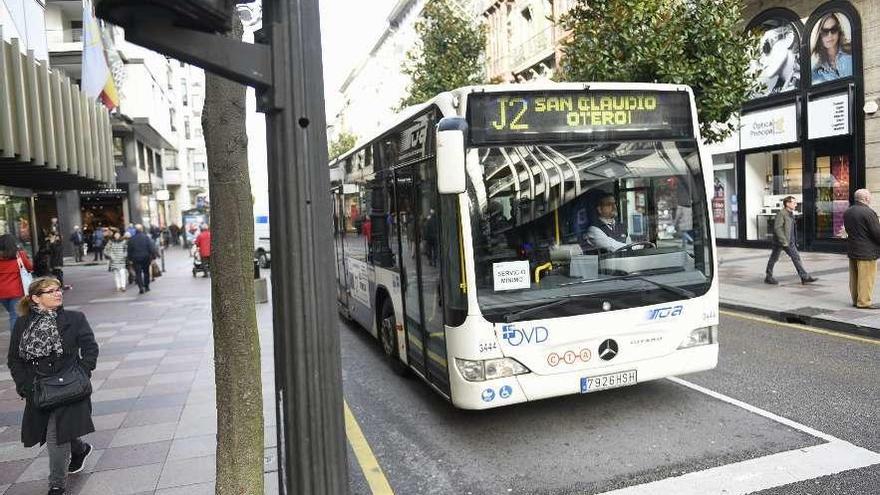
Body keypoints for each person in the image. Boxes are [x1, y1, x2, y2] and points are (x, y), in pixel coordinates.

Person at [7, 276, 98, 494]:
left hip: (69, 386)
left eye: (58, 289)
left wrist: (82, 373)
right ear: (35, 298)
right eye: (50, 291)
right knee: (59, 430)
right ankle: (79, 449)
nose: (58, 293)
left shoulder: (75, 319)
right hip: (38, 387)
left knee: (55, 435)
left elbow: (90, 349)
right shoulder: (22, 323)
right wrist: (24, 386)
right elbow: (14, 359)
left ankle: (56, 486)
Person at [764, 196, 818, 285]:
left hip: (790, 241)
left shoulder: (790, 213)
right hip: (782, 241)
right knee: (774, 258)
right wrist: (784, 241)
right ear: (787, 204)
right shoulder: (781, 214)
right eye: (794, 203)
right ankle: (768, 277)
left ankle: (804, 277)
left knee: (796, 257)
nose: (796, 205)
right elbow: (777, 228)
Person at [843, 189, 880, 309]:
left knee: (854, 277)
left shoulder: (848, 211)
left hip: (853, 248)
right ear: (865, 199)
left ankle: (856, 300)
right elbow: (876, 233)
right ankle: (864, 302)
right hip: (867, 251)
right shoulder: (868, 212)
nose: (870, 199)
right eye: (869, 197)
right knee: (866, 278)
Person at [0, 234, 32, 330]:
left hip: (1, 293)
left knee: (12, 313)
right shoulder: (20, 255)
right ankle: (16, 341)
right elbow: (29, 267)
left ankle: (18, 339)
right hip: (16, 291)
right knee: (14, 316)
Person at [811, 12, 853, 83]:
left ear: (838, 31)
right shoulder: (816, 70)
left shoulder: (852, 52)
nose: (830, 35)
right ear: (820, 35)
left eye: (833, 29)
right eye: (825, 31)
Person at [127, 224, 156, 294]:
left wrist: (130, 259)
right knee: (146, 272)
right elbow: (151, 248)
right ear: (142, 229)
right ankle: (146, 286)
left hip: (136, 259)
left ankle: (141, 287)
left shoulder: (132, 239)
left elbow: (129, 250)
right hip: (145, 258)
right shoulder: (146, 238)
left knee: (138, 273)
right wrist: (153, 257)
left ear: (135, 230)